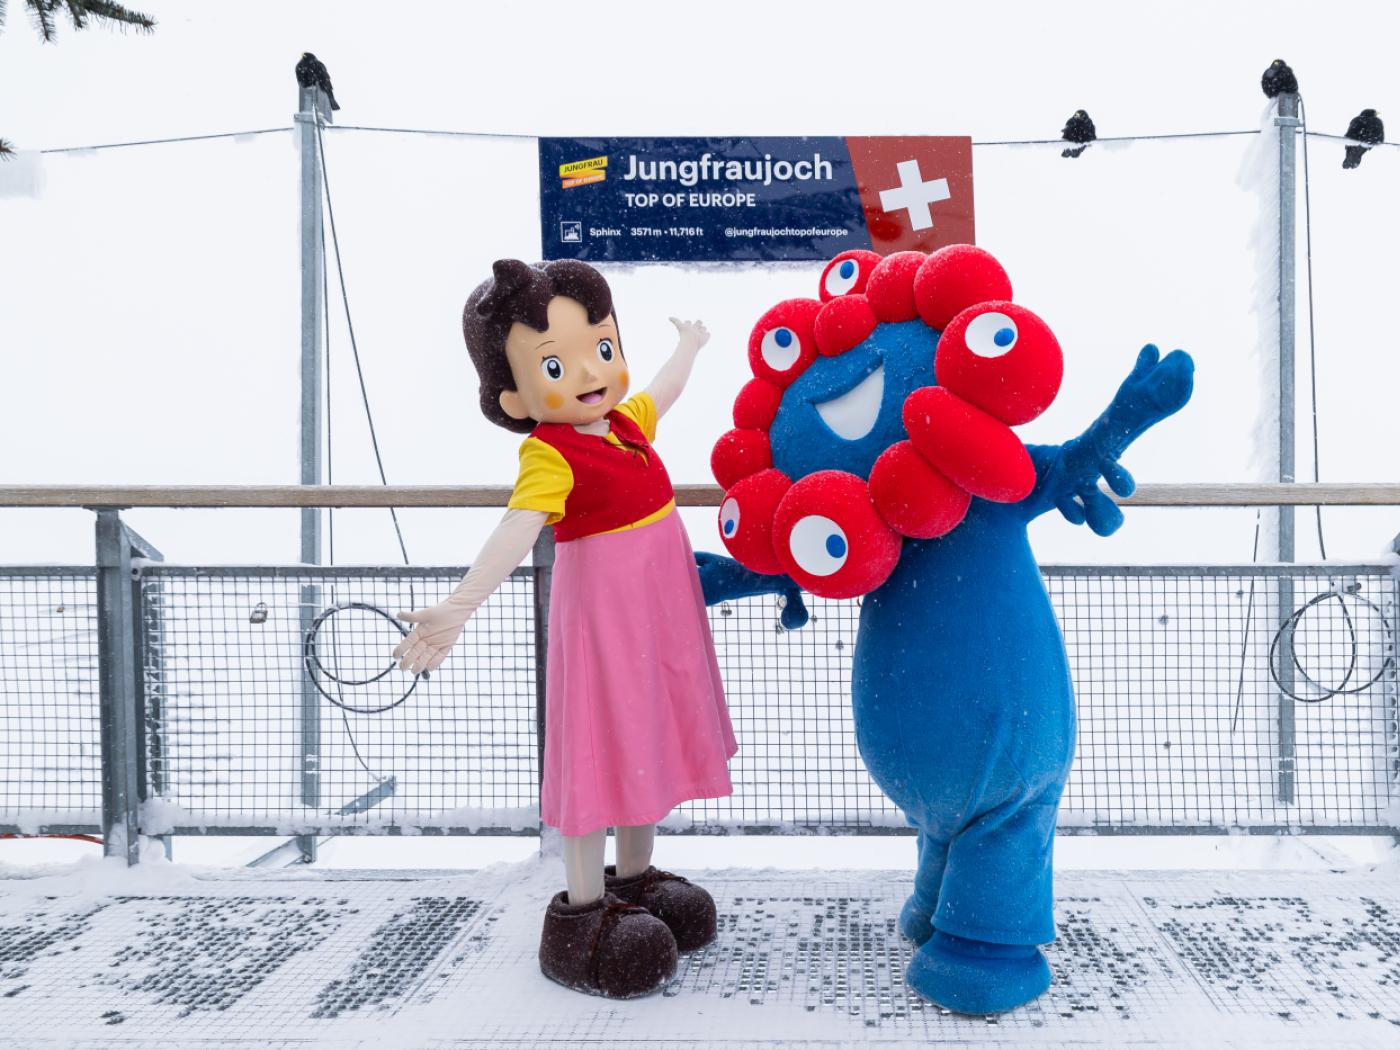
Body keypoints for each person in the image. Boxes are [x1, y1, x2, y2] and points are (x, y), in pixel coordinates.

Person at [393, 258, 735, 999]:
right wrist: (461, 604)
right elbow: (518, 528)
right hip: (603, 631)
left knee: (644, 738)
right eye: (556, 364)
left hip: (657, 624)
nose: (590, 373)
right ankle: (584, 914)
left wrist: (689, 346)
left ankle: (634, 881)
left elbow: (661, 392)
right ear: (513, 398)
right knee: (596, 748)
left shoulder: (626, 427)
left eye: (603, 348)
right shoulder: (550, 451)